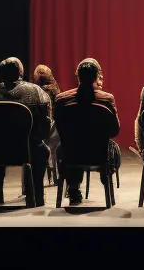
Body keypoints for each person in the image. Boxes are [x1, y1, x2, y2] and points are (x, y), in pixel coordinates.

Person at [0, 57, 53, 206]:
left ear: (0, 73)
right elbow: (45, 124)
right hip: (28, 149)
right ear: (20, 72)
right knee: (42, 150)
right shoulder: (35, 91)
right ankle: (36, 195)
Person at [52, 58, 121, 206]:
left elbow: (59, 128)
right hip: (99, 154)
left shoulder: (61, 99)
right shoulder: (107, 99)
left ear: (78, 76)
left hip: (70, 154)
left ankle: (73, 188)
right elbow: (115, 130)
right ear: (97, 77)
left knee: (66, 145)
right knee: (111, 147)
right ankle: (106, 178)